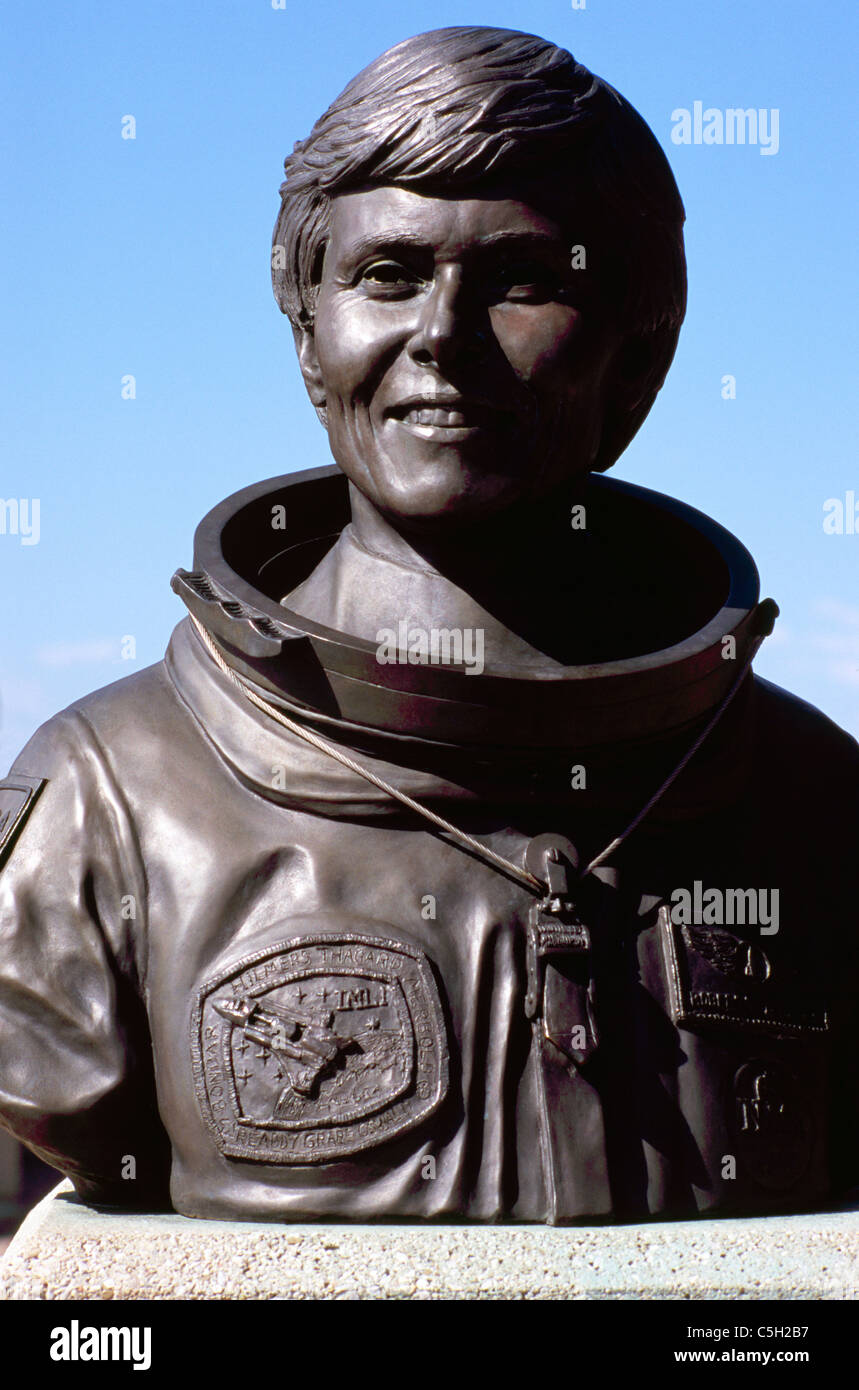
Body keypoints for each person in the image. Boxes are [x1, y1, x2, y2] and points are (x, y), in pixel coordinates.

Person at [0, 27, 856, 1224]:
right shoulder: (103, 805)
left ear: (640, 350)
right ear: (308, 331)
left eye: (521, 281)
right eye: (388, 275)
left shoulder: (815, 803)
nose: (442, 339)